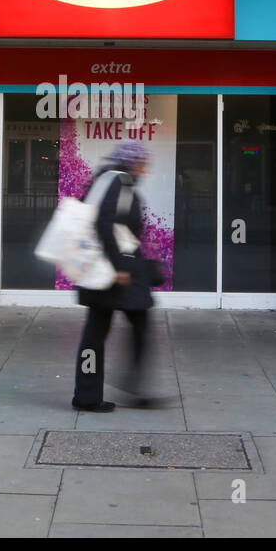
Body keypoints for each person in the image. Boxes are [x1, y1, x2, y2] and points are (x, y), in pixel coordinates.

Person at [71, 140, 166, 412]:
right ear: (132, 162)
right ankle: (131, 387)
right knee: (134, 324)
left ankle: (90, 395)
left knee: (97, 331)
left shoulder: (103, 180)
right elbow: (106, 224)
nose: (145, 170)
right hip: (116, 274)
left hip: (105, 270)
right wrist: (118, 266)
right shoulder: (120, 183)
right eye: (143, 164)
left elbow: (110, 224)